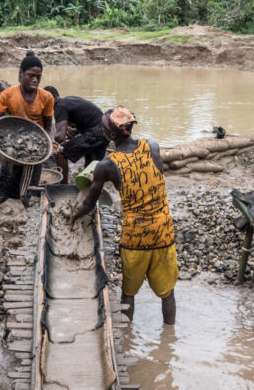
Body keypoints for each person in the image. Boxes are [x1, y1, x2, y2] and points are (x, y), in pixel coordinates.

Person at [75, 107, 177, 325]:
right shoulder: (152, 146)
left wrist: (73, 217)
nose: (102, 130)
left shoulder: (107, 166)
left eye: (103, 127)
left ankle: (127, 337)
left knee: (128, 293)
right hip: (163, 231)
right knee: (167, 293)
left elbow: (89, 204)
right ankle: (169, 336)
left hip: (136, 238)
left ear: (111, 135)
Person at [0, 54, 55, 225]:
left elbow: (50, 126)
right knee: (3, 192)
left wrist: (51, 142)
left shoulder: (46, 97)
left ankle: (37, 225)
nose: (35, 80)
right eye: (31, 76)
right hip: (12, 149)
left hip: (34, 152)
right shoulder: (8, 94)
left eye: (38, 77)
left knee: (27, 194)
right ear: (20, 74)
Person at [43, 86, 108, 183]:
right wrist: (77, 130)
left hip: (95, 133)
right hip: (105, 131)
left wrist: (44, 142)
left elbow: (60, 137)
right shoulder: (68, 100)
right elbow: (88, 117)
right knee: (92, 165)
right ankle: (92, 189)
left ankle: (63, 185)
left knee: (61, 152)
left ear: (52, 97)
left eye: (43, 99)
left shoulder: (59, 107)